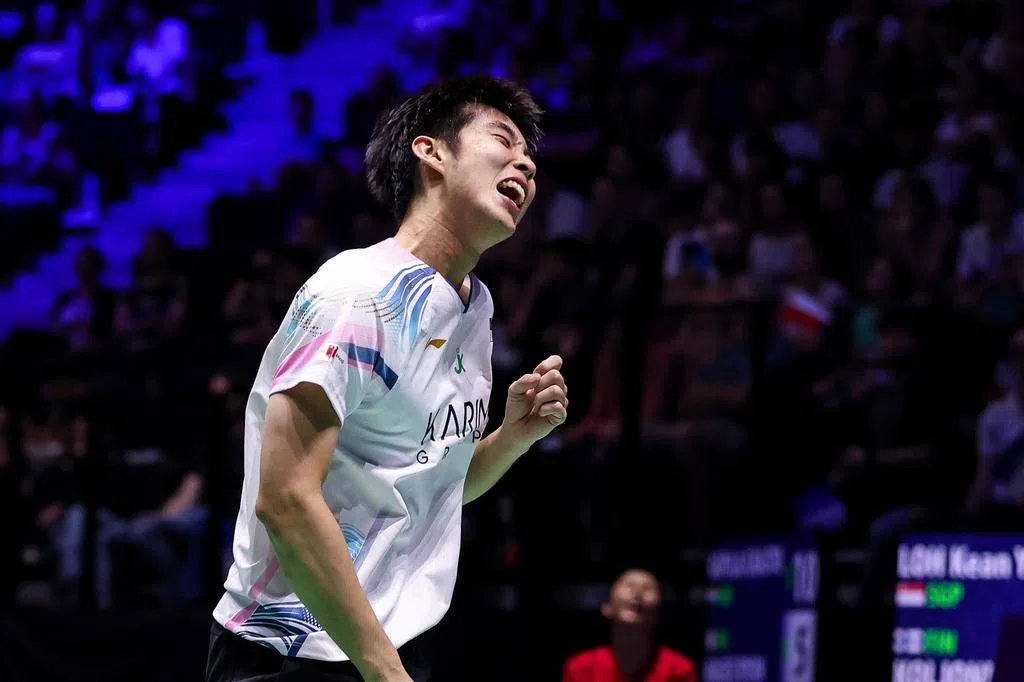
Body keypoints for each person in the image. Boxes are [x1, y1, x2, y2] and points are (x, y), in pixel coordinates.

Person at [206, 75, 569, 682]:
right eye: (503, 140)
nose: (526, 165)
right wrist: (383, 671)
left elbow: (432, 483)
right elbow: (286, 499)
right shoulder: (359, 293)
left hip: (386, 646)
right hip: (291, 653)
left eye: (530, 157)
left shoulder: (473, 307)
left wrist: (512, 437)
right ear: (431, 152)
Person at [562, 569, 696, 682]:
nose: (637, 593)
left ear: (658, 614)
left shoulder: (679, 670)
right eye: (629, 586)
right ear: (607, 607)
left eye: (647, 588)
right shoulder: (580, 668)